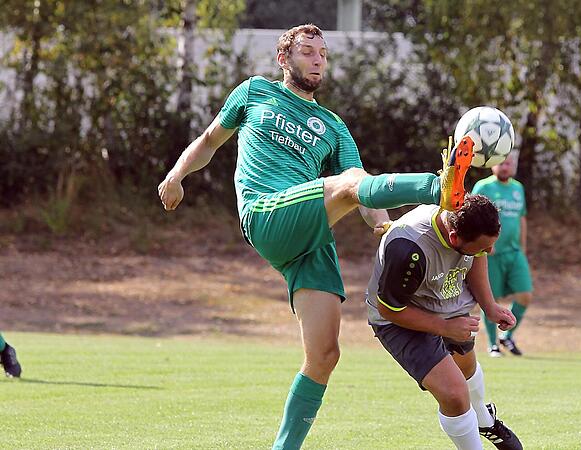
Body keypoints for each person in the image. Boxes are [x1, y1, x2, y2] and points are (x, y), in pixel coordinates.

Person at [157, 24, 475, 450]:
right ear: (284, 59)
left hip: (309, 234)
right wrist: (177, 175)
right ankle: (439, 186)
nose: (318, 59)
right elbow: (211, 140)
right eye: (308, 52)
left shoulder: (333, 125)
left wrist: (382, 227)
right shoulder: (254, 92)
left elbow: (362, 185)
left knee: (324, 355)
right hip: (267, 210)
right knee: (342, 185)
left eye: (323, 53)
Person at [366, 195, 523, 450]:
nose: (490, 251)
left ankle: (484, 420)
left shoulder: (465, 218)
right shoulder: (408, 248)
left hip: (447, 303)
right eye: (483, 247)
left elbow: (477, 254)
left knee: (466, 369)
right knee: (454, 394)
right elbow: (389, 308)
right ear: (453, 239)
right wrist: (444, 328)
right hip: (399, 317)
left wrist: (489, 306)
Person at [472, 150, 534, 357]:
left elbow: (522, 218)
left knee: (525, 295)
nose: (505, 167)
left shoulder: (518, 189)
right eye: (502, 163)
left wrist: (523, 248)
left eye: (509, 163)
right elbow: (470, 216)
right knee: (492, 299)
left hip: (515, 252)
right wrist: (482, 242)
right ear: (493, 165)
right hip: (490, 254)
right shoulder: (484, 187)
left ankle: (507, 336)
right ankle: (493, 344)